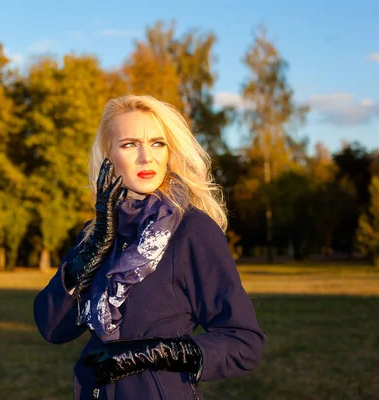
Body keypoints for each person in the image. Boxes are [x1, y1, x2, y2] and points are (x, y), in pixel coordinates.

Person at [33, 95, 265, 400]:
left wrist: (153, 354)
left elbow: (244, 343)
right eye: (130, 144)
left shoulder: (193, 230)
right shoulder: (97, 232)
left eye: (157, 143)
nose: (146, 157)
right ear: (108, 156)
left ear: (170, 152)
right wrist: (90, 253)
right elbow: (53, 328)